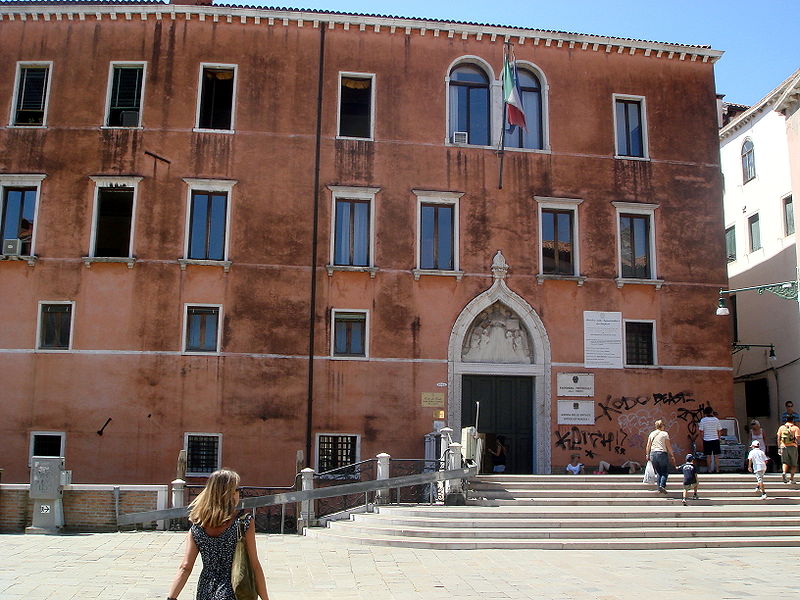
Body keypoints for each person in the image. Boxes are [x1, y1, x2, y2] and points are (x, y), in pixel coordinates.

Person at [167, 469, 270, 600]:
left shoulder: (197, 527)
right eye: (237, 489)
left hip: (205, 591)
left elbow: (185, 567)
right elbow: (255, 566)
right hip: (233, 592)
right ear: (229, 493)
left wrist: (171, 597)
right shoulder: (243, 523)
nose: (239, 493)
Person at [645, 419, 676, 494]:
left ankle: (659, 488)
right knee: (664, 472)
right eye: (664, 425)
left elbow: (648, 445)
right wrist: (672, 455)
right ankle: (662, 485)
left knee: (658, 472)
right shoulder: (664, 434)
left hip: (653, 454)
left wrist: (647, 454)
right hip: (662, 453)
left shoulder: (651, 434)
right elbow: (668, 445)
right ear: (661, 426)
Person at [777, 415, 800, 484]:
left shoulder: (781, 428)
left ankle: (784, 472)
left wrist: (779, 447)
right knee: (794, 464)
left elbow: (778, 438)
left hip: (783, 446)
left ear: (786, 420)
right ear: (793, 420)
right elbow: (797, 438)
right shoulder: (796, 428)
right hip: (793, 447)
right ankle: (791, 479)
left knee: (784, 462)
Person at [698, 406, 722, 473]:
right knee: (716, 456)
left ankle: (709, 470)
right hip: (715, 439)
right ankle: (717, 469)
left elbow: (701, 431)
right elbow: (719, 430)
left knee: (708, 456)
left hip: (706, 439)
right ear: (712, 412)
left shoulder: (703, 420)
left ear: (705, 413)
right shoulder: (716, 420)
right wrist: (718, 438)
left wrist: (702, 438)